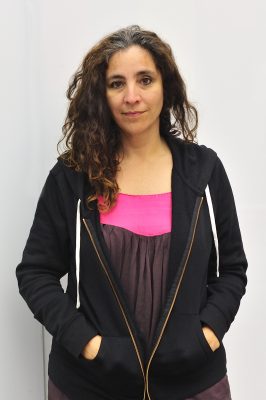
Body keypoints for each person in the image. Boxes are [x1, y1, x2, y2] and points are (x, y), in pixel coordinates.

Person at [16, 25, 247, 400]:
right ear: (101, 95)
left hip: (192, 382)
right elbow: (35, 273)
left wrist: (205, 335)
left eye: (145, 80)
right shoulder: (73, 177)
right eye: (116, 83)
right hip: (89, 384)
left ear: (165, 87)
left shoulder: (203, 172)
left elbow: (232, 271)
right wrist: (88, 344)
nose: (132, 97)